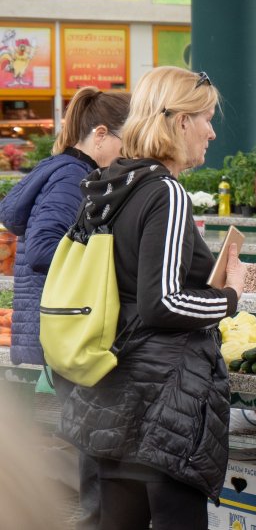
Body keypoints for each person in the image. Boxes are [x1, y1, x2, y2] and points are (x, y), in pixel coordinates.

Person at [58, 66, 246, 530]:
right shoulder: (165, 191)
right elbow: (161, 301)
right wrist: (228, 296)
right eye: (205, 117)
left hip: (111, 389)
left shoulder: (112, 185)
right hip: (163, 401)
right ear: (180, 122)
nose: (212, 129)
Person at [0, 86, 130, 530]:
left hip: (60, 328)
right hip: (66, 329)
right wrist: (106, 258)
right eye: (122, 142)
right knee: (93, 444)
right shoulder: (72, 177)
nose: (124, 154)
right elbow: (39, 250)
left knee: (88, 440)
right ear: (99, 135)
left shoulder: (67, 172)